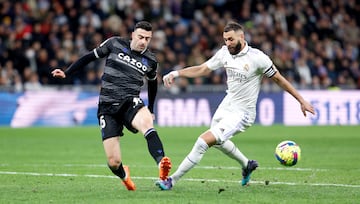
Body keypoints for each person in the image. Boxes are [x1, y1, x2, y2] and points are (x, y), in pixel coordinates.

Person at [157, 21, 315, 190]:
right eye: (225, 40)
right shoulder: (225, 52)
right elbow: (203, 69)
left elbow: (279, 79)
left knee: (203, 141)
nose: (228, 43)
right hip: (227, 104)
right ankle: (247, 164)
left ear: (242, 37)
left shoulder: (258, 58)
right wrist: (176, 73)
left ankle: (171, 180)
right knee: (217, 142)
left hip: (243, 113)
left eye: (231, 39)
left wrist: (301, 100)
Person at [52, 21, 171, 191]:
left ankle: (162, 165)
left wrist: (151, 109)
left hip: (130, 101)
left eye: (147, 38)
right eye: (140, 37)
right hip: (107, 106)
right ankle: (124, 175)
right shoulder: (114, 43)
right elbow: (89, 57)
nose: (143, 41)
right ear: (132, 35)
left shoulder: (151, 60)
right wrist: (67, 72)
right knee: (113, 162)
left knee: (146, 124)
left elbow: (153, 84)